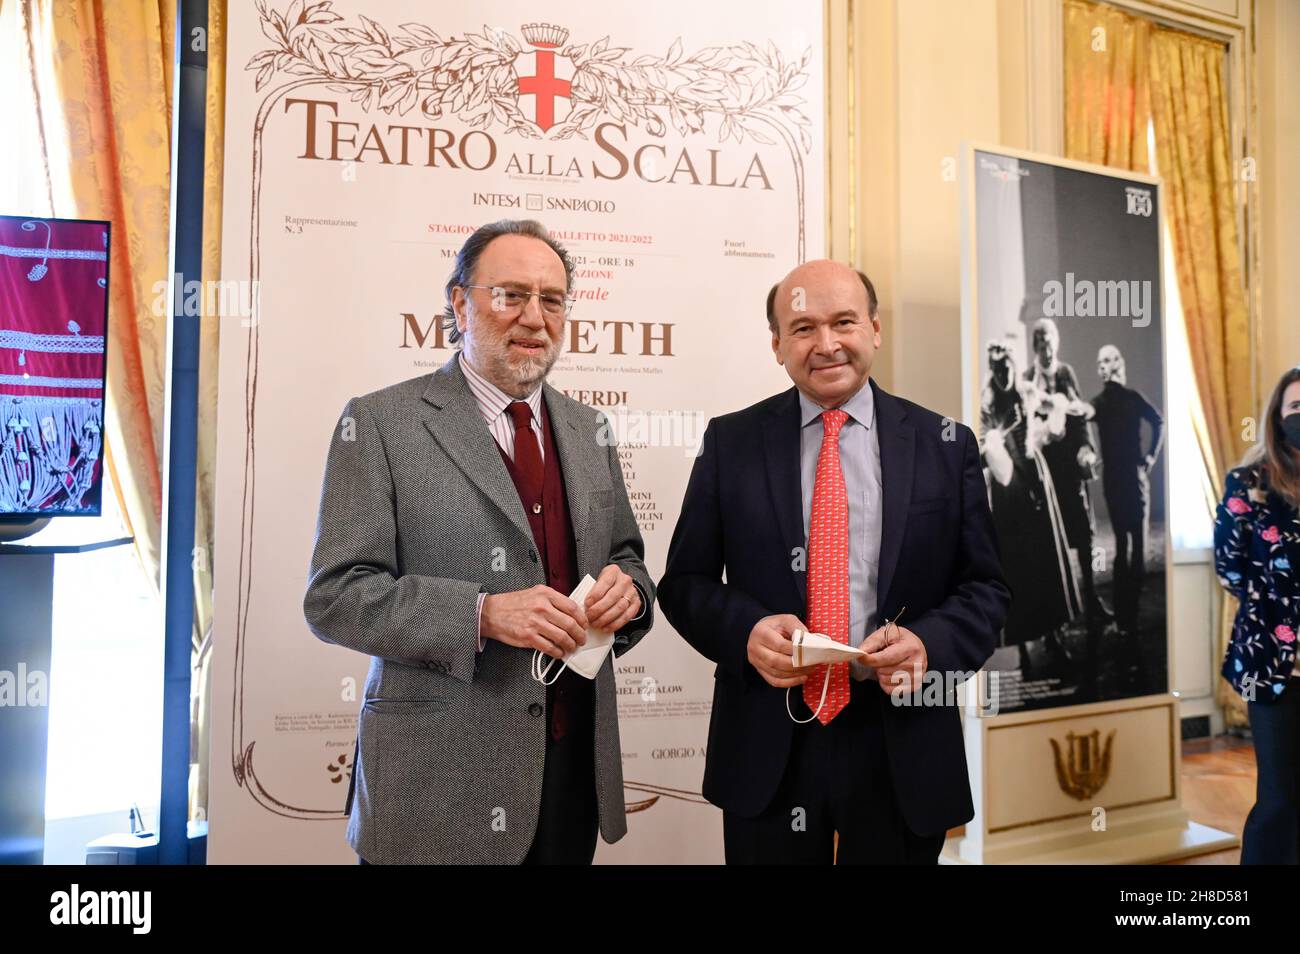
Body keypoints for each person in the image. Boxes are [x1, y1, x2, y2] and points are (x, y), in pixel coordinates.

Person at [303, 219, 654, 865]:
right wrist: (482, 614)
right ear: (461, 303)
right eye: (510, 294)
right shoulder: (381, 422)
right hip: (437, 791)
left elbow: (626, 558)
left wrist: (628, 593)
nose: (534, 317)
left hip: (570, 777)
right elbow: (336, 597)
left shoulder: (589, 428)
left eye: (551, 299)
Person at [657, 260, 1010, 864]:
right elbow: (684, 584)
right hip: (770, 740)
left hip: (900, 737)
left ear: (874, 329)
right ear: (776, 345)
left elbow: (986, 589)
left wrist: (928, 646)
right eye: (802, 328)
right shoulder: (730, 442)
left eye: (843, 322)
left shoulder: (945, 444)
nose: (826, 344)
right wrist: (745, 633)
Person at [1215, 366, 1300, 864]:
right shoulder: (1250, 482)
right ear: (1278, 416)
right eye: (1296, 408)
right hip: (1272, 665)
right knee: (1279, 798)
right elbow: (1229, 569)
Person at [980, 336, 1080, 676]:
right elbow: (979, 448)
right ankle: (1024, 650)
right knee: (1017, 566)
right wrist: (992, 448)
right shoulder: (987, 402)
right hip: (1009, 491)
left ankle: (1054, 638)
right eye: (997, 367)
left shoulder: (1026, 390)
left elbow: (1057, 412)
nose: (1003, 371)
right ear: (991, 369)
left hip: (1036, 478)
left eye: (1007, 365)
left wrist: (1055, 417)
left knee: (1047, 560)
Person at [1024, 317, 1111, 633]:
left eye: (1049, 340)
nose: (1046, 347)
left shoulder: (1066, 373)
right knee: (1049, 545)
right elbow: (1026, 431)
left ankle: (1091, 602)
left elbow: (1080, 418)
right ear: (1035, 345)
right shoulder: (1026, 380)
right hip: (1045, 477)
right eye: (1040, 341)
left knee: (1084, 538)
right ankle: (1055, 622)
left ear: (1056, 342)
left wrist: (1086, 448)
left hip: (1071, 472)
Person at [1087, 345, 1164, 641]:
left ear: (1118, 363)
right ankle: (1125, 618)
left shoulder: (1126, 399)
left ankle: (1127, 616)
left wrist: (1150, 457)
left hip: (1132, 477)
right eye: (1100, 361)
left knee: (1137, 549)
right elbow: (1084, 416)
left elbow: (1159, 422)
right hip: (1120, 479)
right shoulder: (1103, 402)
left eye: (1107, 360)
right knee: (1124, 547)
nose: (1103, 365)